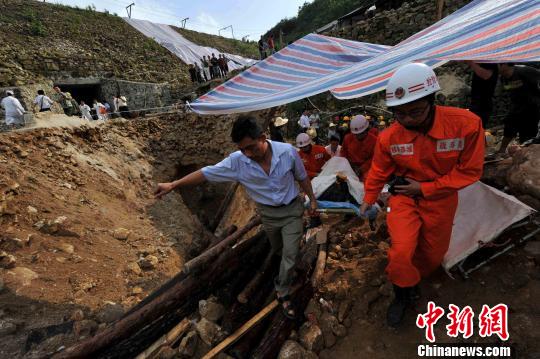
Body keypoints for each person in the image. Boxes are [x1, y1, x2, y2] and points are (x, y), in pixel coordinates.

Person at [155, 115, 318, 319]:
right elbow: (206, 172)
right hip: (268, 214)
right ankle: (285, 268)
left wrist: (312, 200)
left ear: (263, 137)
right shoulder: (237, 162)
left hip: (292, 210)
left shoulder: (287, 153)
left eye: (251, 147)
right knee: (278, 249)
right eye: (243, 150)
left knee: (290, 253)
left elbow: (302, 177)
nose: (248, 154)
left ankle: (282, 290)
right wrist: (173, 185)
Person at [359, 63, 484, 327]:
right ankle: (402, 294)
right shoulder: (390, 137)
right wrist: (369, 198)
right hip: (404, 197)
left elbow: (470, 171)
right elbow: (379, 169)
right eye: (399, 114)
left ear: (432, 101)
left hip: (441, 200)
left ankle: (412, 278)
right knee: (401, 251)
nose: (407, 120)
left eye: (414, 112)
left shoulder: (466, 126)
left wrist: (426, 188)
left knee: (432, 255)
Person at [497, 63, 540, 153]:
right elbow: (509, 90)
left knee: (528, 133)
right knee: (509, 126)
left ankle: (527, 153)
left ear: (504, 65)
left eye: (496, 65)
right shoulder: (503, 78)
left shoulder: (525, 71)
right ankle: (502, 151)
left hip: (532, 107)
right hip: (516, 106)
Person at [340, 115, 378, 181]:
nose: (358, 136)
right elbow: (343, 153)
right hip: (350, 166)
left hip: (367, 168)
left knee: (368, 180)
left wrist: (362, 169)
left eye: (361, 134)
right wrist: (349, 166)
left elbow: (374, 158)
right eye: (356, 134)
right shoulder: (348, 138)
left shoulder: (374, 141)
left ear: (366, 130)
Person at [465, 61, 498, 129]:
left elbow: (486, 75)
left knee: (477, 129)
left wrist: (471, 63)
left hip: (483, 105)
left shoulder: (489, 62)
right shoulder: (479, 64)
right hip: (476, 103)